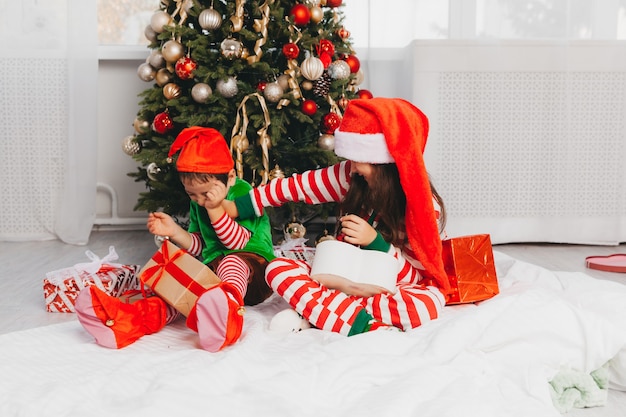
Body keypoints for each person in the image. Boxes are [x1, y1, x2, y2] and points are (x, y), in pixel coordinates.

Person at [230, 98, 453, 335]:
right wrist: (241, 205)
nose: (353, 167)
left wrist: (375, 243)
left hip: (386, 286)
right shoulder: (352, 177)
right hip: (338, 279)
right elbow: (298, 186)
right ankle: (356, 320)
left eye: (360, 160)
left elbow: (415, 278)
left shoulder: (425, 209)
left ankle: (324, 314)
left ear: (385, 163)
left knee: (427, 305)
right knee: (276, 269)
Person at [75, 127, 275, 352]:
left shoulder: (242, 192)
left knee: (231, 262)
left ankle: (228, 315)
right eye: (192, 195)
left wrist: (216, 207)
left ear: (229, 178)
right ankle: (127, 321)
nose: (200, 201)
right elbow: (201, 245)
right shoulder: (200, 203)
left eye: (206, 194)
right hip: (214, 279)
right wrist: (174, 232)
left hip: (252, 274)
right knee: (177, 290)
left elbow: (235, 244)